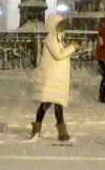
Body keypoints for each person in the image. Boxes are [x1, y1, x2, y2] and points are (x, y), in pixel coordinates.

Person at [30, 13, 81, 142]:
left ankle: (57, 132)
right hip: (51, 78)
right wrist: (72, 48)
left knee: (55, 105)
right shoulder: (51, 39)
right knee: (46, 105)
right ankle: (42, 130)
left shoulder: (57, 38)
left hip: (55, 78)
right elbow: (58, 55)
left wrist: (71, 47)